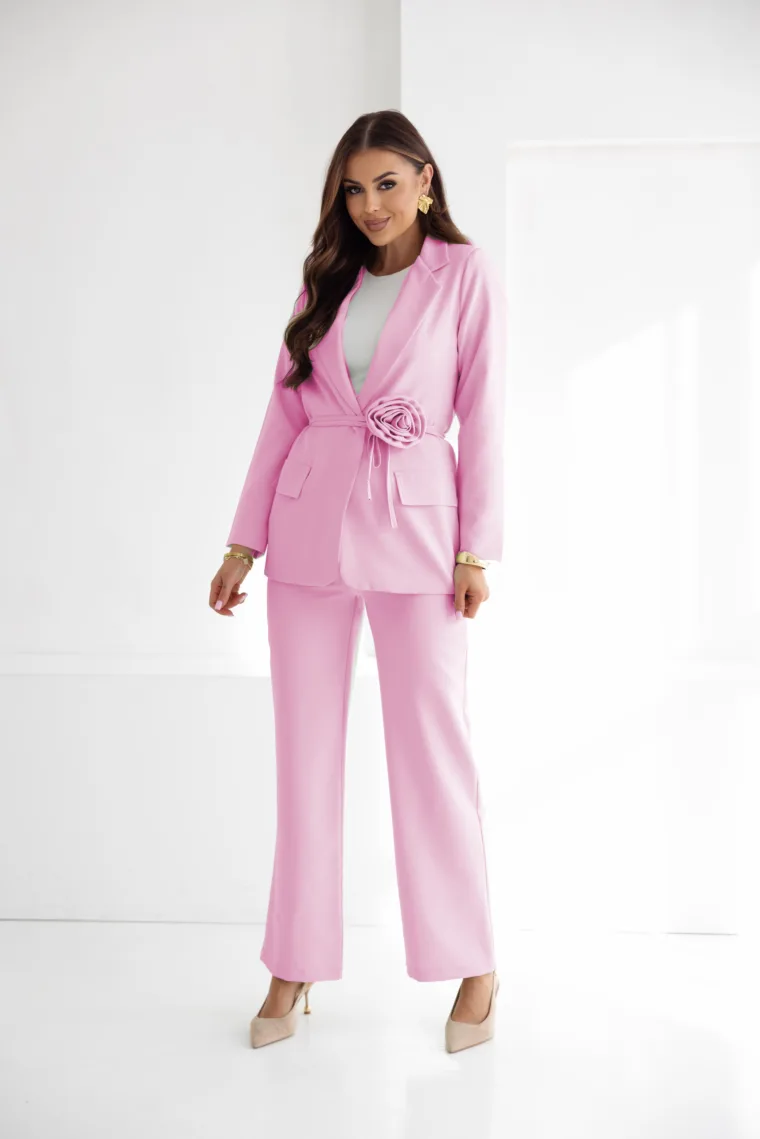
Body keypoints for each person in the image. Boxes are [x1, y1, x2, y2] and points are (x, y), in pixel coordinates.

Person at [209, 109, 506, 1053]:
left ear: (425, 180)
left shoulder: (463, 275)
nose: (370, 204)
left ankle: (474, 962)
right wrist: (243, 541)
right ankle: (292, 964)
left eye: (386, 183)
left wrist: (475, 550)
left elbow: (486, 412)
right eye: (353, 188)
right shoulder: (325, 280)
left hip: (419, 535)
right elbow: (282, 413)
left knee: (432, 750)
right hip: (307, 531)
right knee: (304, 757)